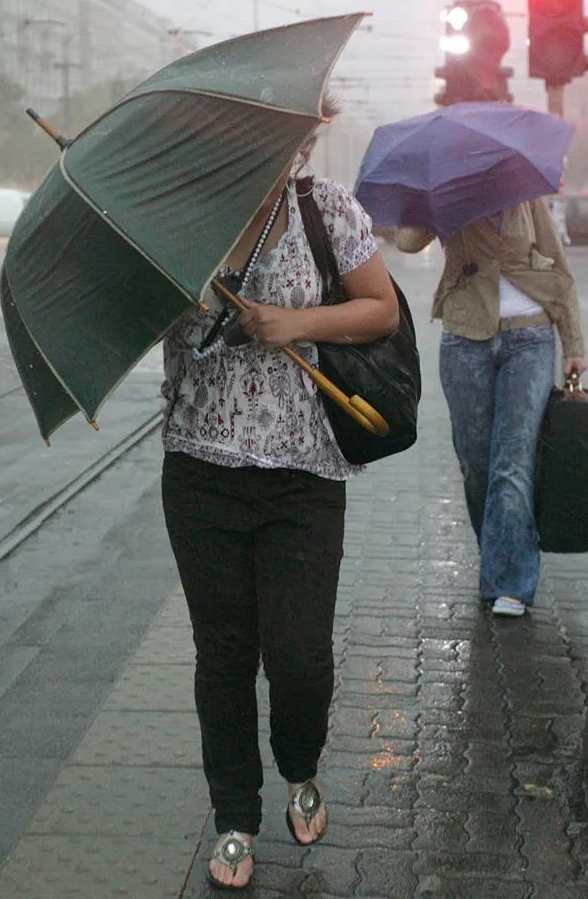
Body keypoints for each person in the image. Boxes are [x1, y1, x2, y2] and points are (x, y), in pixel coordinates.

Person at [160, 114, 398, 891]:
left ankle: (300, 764)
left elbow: (381, 309)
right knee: (224, 656)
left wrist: (295, 323)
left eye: (295, 137)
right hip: (201, 472)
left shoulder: (326, 210)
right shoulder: (181, 220)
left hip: (304, 472)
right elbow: (140, 324)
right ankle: (234, 818)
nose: (281, 152)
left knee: (299, 656)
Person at [394, 198, 586, 618]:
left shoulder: (524, 193)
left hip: (530, 338)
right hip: (465, 337)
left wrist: (573, 343)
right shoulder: (447, 193)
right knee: (476, 463)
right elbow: (407, 242)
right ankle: (499, 559)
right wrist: (434, 204)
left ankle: (511, 582)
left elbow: (557, 264)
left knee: (512, 463)